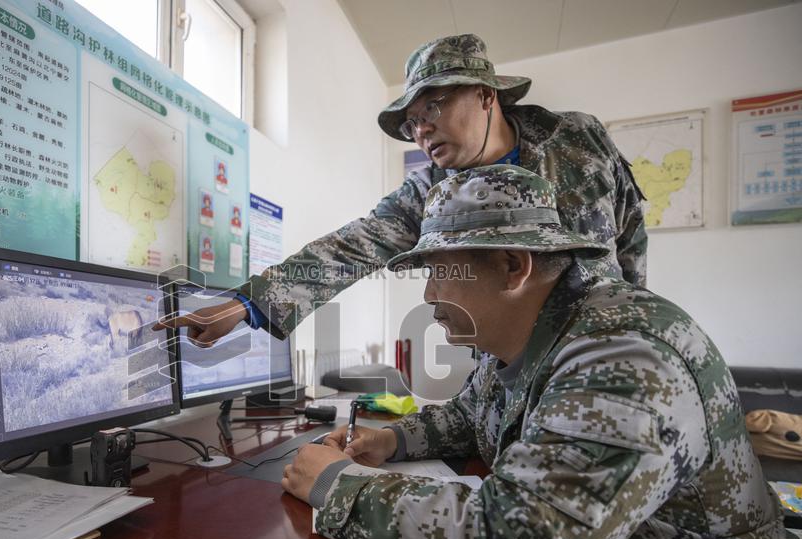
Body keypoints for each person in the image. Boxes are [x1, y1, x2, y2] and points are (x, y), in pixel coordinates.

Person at [282, 165, 802, 539]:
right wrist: (392, 442)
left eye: (442, 272)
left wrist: (338, 485)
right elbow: (471, 414)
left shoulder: (624, 357)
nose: (430, 297)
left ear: (513, 265)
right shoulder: (527, 333)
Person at [156, 34, 646, 346]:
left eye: (432, 107)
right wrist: (248, 304)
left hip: (604, 344)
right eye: (411, 123)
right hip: (509, 363)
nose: (421, 131)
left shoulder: (576, 139)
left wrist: (637, 319)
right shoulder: (432, 191)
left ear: (485, 95)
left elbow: (629, 232)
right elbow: (352, 245)